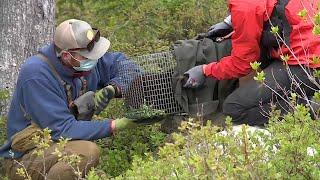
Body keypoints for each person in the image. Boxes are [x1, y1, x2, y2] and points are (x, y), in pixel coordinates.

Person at [0, 19, 142, 179]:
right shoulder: (36, 75)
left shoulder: (87, 61)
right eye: (86, 56)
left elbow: (129, 67)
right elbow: (62, 129)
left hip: (59, 145)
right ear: (67, 55)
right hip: (23, 158)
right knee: (87, 152)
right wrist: (114, 125)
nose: (93, 60)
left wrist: (113, 88)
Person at [184, 0, 320, 126]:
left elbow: (242, 64)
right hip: (307, 49)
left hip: (309, 64)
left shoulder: (244, 6)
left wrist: (205, 70)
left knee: (234, 108)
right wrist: (230, 22)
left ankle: (311, 105)